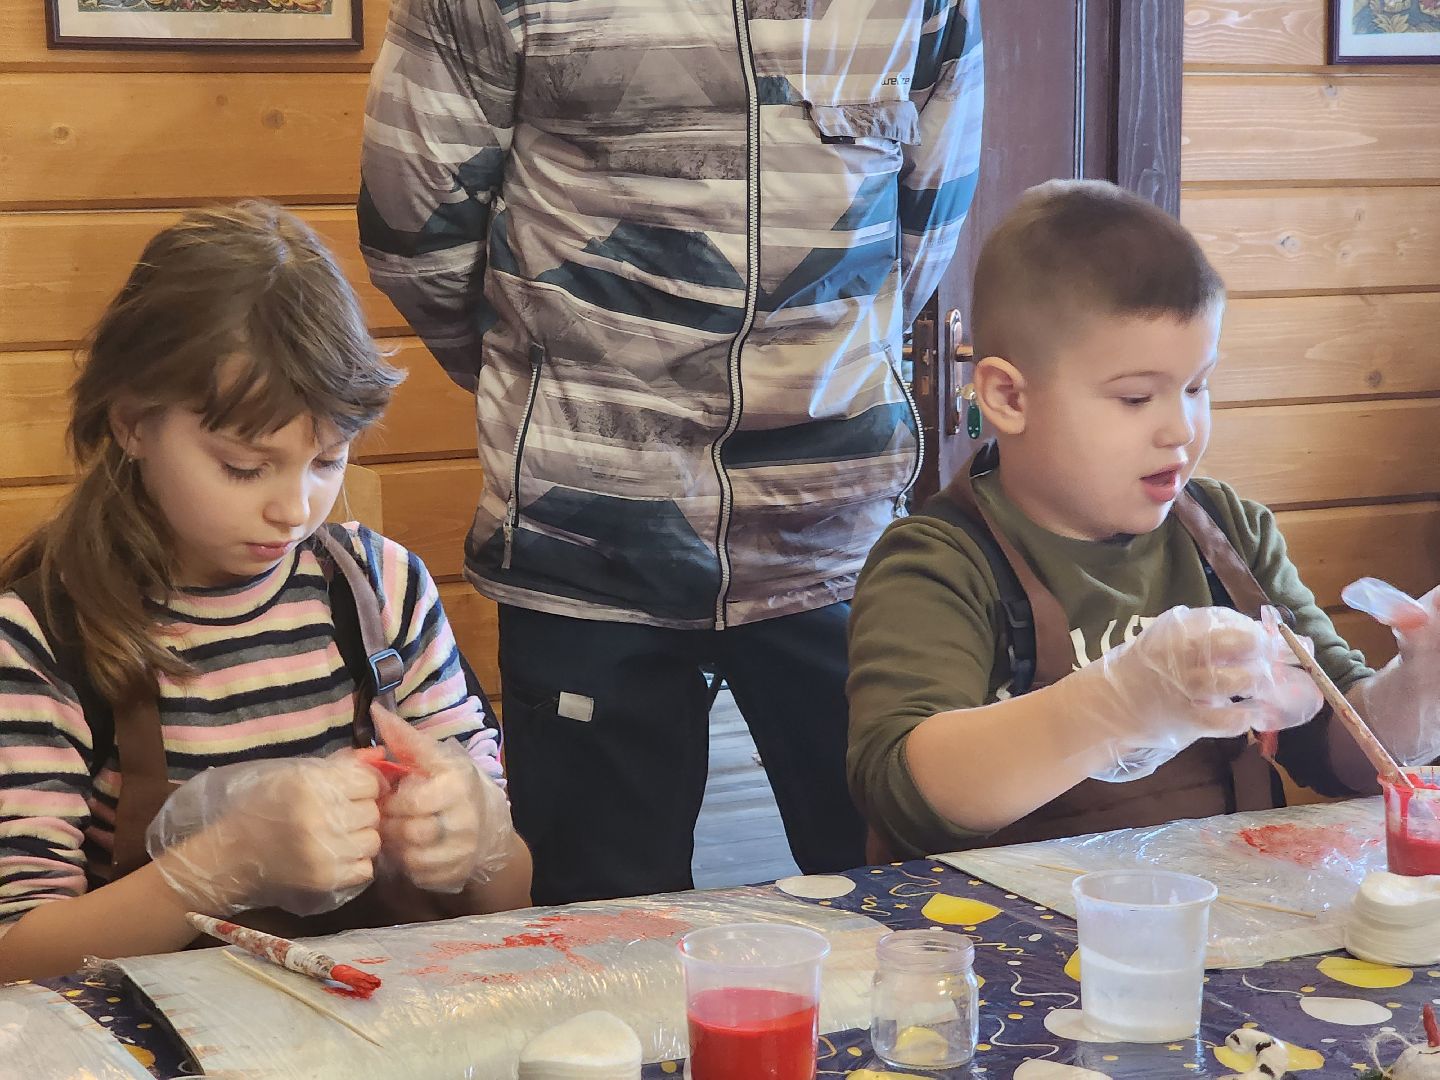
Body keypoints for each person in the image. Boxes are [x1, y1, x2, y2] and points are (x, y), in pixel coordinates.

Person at [358, 0, 985, 903]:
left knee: (907, 899)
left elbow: (924, 225)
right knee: (603, 929)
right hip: (586, 536)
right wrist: (558, 389)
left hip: (833, 532)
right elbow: (416, 228)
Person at [0, 203, 530, 982]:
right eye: (244, 468)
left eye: (328, 460)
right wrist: (222, 863)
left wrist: (474, 834)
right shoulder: (43, 636)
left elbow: (512, 898)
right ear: (132, 424)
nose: (294, 509)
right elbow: (15, 957)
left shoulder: (382, 593)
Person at [847, 179, 1440, 858]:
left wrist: (1421, 686)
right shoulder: (937, 563)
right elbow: (904, 797)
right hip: (1002, 920)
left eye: (1197, 386)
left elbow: (1345, 756)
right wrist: (1115, 704)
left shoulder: (1230, 535)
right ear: (1008, 397)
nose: (1180, 429)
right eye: (1135, 398)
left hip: (1215, 908)